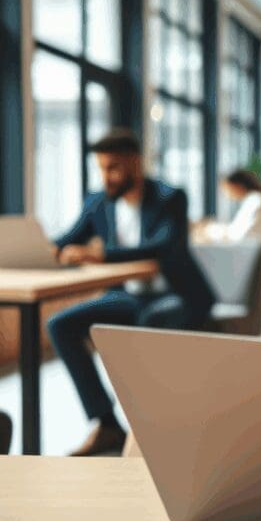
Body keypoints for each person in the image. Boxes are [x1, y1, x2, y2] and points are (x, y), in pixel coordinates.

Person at [48, 129, 216, 456]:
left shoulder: (170, 198)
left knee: (147, 320)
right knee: (60, 325)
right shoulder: (98, 202)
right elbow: (69, 237)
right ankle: (108, 424)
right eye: (101, 168)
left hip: (178, 294)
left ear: (135, 164)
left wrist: (102, 255)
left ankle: (152, 432)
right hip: (127, 296)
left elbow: (162, 247)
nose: (106, 177)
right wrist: (45, 250)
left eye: (113, 168)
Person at [197, 169, 261, 273]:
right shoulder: (257, 199)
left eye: (226, 189)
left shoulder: (255, 201)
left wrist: (211, 232)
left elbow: (240, 235)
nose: (226, 194)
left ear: (238, 185)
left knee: (224, 267)